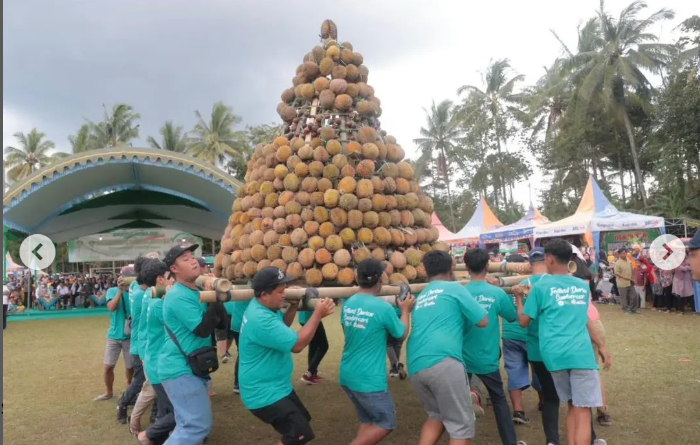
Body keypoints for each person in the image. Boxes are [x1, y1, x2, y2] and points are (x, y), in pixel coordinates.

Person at [514, 239, 611, 445]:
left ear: (549, 259)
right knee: (583, 409)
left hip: (554, 356)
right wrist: (601, 345)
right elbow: (585, 319)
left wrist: (519, 299)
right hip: (580, 354)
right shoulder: (581, 286)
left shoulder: (540, 288)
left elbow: (523, 321)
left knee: (572, 405)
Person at [239, 267, 335, 445]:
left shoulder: (262, 307)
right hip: (263, 393)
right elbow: (297, 345)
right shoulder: (260, 319)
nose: (284, 295)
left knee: (302, 424)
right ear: (265, 294)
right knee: (299, 434)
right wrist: (317, 314)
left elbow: (281, 326)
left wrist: (292, 306)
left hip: (277, 387)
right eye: (280, 292)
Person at [407, 250, 488, 445]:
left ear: (425, 271)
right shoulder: (455, 289)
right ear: (451, 268)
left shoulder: (423, 294)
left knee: (436, 416)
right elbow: (483, 320)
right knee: (461, 428)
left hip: (416, 364)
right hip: (443, 362)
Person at [339, 259, 416, 445]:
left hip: (348, 374)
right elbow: (401, 334)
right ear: (380, 279)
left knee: (367, 421)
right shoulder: (383, 308)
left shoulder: (348, 303)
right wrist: (405, 310)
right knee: (386, 423)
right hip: (369, 379)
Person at [158, 244, 229, 445]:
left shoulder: (198, 289)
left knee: (186, 425)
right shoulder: (178, 295)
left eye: (192, 256)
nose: (192, 260)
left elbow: (222, 323)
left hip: (191, 366)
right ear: (174, 269)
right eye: (185, 258)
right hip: (179, 368)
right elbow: (203, 329)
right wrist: (214, 299)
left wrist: (217, 297)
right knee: (196, 426)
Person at [461, 249, 527, 445]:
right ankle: (510, 441)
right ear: (488, 266)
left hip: (461, 356)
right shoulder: (496, 293)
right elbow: (512, 316)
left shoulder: (460, 292)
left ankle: (472, 396)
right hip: (487, 356)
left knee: (458, 403)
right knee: (498, 400)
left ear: (466, 267)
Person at [137, 259, 176, 445]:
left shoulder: (152, 298)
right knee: (179, 412)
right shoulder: (159, 304)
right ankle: (147, 435)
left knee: (164, 410)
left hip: (155, 362)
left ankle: (155, 439)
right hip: (160, 366)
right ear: (161, 280)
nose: (173, 280)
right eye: (170, 277)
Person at [117, 257, 151, 424]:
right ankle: (122, 404)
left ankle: (155, 416)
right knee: (140, 382)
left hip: (141, 342)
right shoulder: (142, 294)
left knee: (152, 383)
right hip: (140, 344)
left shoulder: (135, 286)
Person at [94, 274, 133, 402]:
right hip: (113, 336)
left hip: (129, 336)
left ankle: (130, 392)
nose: (124, 280)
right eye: (121, 278)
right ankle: (109, 392)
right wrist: (120, 291)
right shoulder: (112, 291)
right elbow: (111, 307)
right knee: (108, 367)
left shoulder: (134, 293)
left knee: (130, 367)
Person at [298, 308, 329, 385]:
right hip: (311, 318)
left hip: (304, 318)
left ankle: (312, 374)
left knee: (313, 346)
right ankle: (309, 374)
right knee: (323, 346)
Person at [229, 298, 250, 394]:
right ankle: (238, 383)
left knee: (243, 353)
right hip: (242, 324)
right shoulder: (245, 284)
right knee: (243, 354)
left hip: (239, 322)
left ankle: (238, 384)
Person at [614, 248, 638, 314]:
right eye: (622, 253)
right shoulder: (617, 263)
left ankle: (633, 309)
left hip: (630, 282)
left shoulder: (628, 261)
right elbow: (617, 273)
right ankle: (625, 310)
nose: (624, 255)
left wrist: (633, 278)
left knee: (634, 295)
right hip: (622, 283)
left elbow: (631, 270)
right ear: (619, 254)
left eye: (625, 253)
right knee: (623, 298)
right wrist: (626, 278)